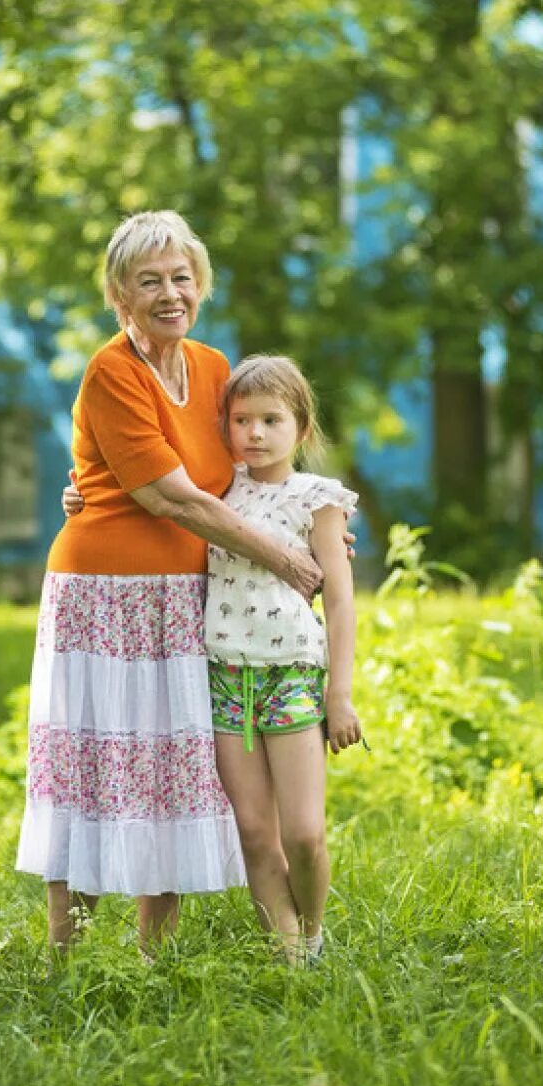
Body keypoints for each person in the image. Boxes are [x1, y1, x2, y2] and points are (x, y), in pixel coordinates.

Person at [16, 210, 328, 955]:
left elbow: (256, 468)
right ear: (119, 295)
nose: (169, 293)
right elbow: (171, 495)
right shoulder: (110, 372)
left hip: (188, 599)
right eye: (148, 280)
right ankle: (68, 956)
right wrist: (284, 558)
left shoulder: (217, 370)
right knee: (93, 767)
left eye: (181, 277)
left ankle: (154, 957)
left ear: (201, 285)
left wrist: (318, 524)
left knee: (170, 765)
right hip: (104, 599)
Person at [205, 354, 361, 966]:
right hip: (224, 676)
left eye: (272, 420)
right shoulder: (214, 492)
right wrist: (79, 496)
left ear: (301, 425)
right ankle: (290, 958)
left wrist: (339, 694)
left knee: (302, 832)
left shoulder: (317, 500)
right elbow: (150, 498)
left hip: (293, 674)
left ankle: (313, 934)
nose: (255, 434)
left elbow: (342, 600)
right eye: (242, 420)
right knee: (254, 833)